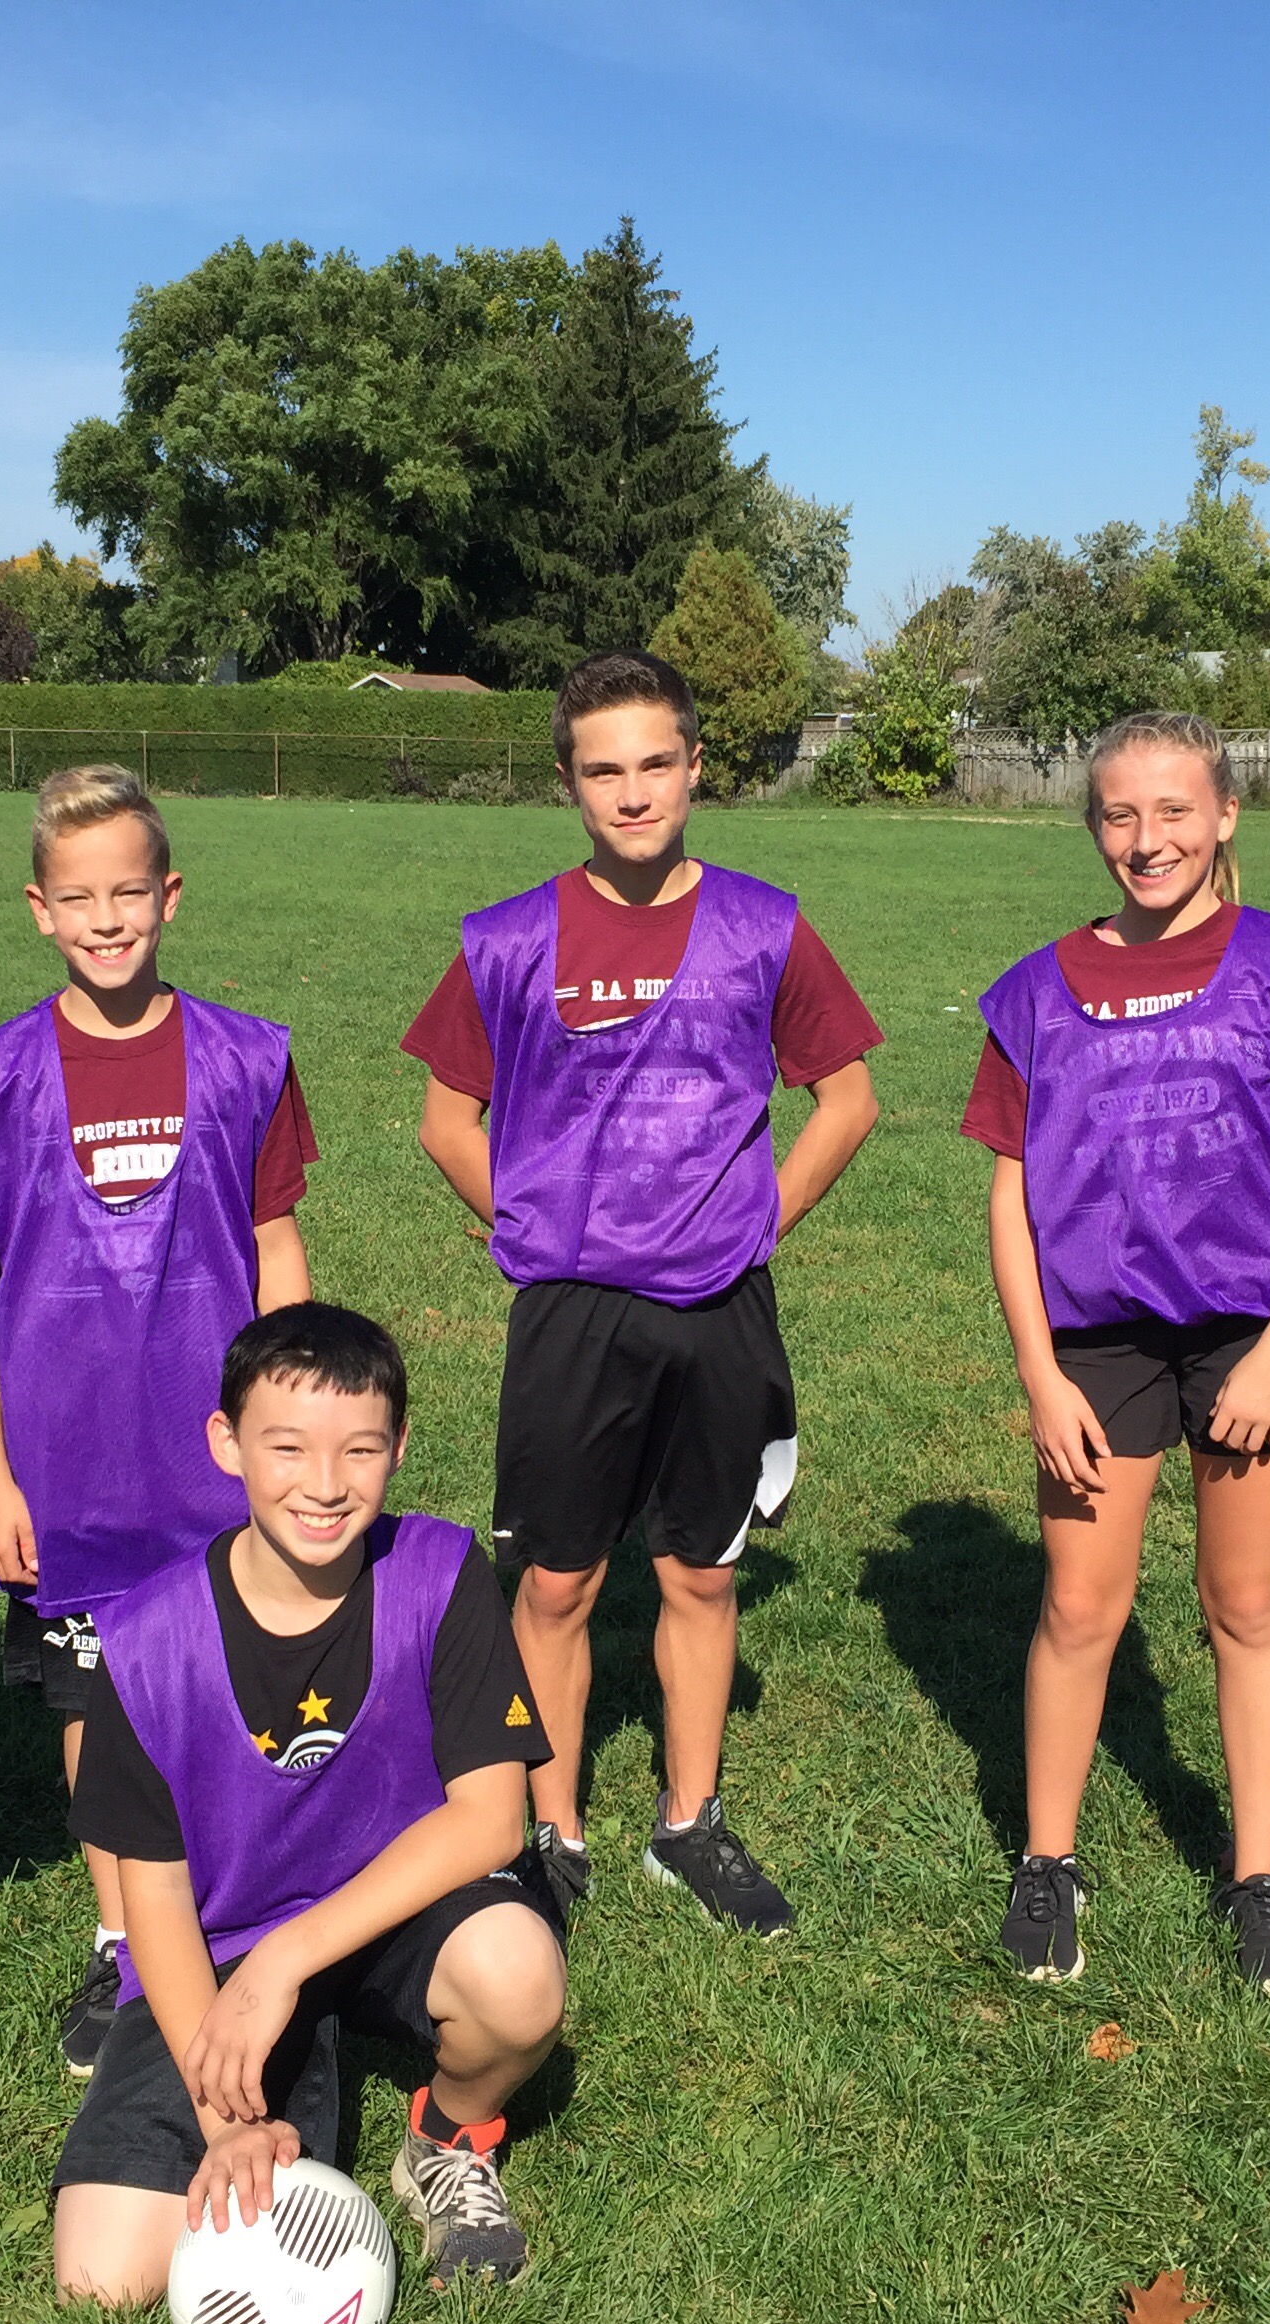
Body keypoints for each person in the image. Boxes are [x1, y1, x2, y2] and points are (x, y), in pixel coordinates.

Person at [403, 650, 881, 1937]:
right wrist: (534, 1223)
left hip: (719, 1309)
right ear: (568, 781)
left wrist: (756, 1222)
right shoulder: (509, 937)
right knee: (555, 1585)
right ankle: (547, 1836)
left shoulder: (765, 924)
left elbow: (848, 1101)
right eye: (603, 770)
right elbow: (447, 1119)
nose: (632, 793)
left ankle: (689, 1823)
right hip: (575, 1314)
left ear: (695, 767)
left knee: (701, 1577)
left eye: (656, 763)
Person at [964, 712, 1270, 1994]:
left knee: (1246, 1607)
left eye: (1173, 811)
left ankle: (1260, 1876)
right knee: (1078, 1608)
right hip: (1095, 1339)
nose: (1146, 839)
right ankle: (1048, 1860)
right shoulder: (1035, 990)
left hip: (1252, 1333)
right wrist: (1040, 1374)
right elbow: (1009, 1197)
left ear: (1224, 817)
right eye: (1119, 814)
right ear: (1091, 825)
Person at [51, 1303, 564, 2301]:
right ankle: (277, 2092)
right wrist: (226, 2125)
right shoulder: (146, 1642)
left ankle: (447, 2139)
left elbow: (494, 1819)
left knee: (519, 1974)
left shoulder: (441, 1573)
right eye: (286, 1447)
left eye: (359, 1450)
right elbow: (154, 1897)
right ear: (227, 1443)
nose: (325, 1485)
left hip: (398, 1914)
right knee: (102, 2278)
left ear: (400, 1446)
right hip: (222, 1947)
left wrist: (287, 1962)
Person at [0, 766, 316, 2080]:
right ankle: (123, 1943)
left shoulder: (247, 1056)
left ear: (170, 897)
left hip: (211, 1455)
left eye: (129, 892)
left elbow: (275, 1241)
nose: (106, 919)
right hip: (67, 1464)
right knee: (94, 1706)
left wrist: (295, 1426)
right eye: (78, 896)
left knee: (223, 1686)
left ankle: (232, 1908)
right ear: (39, 908)